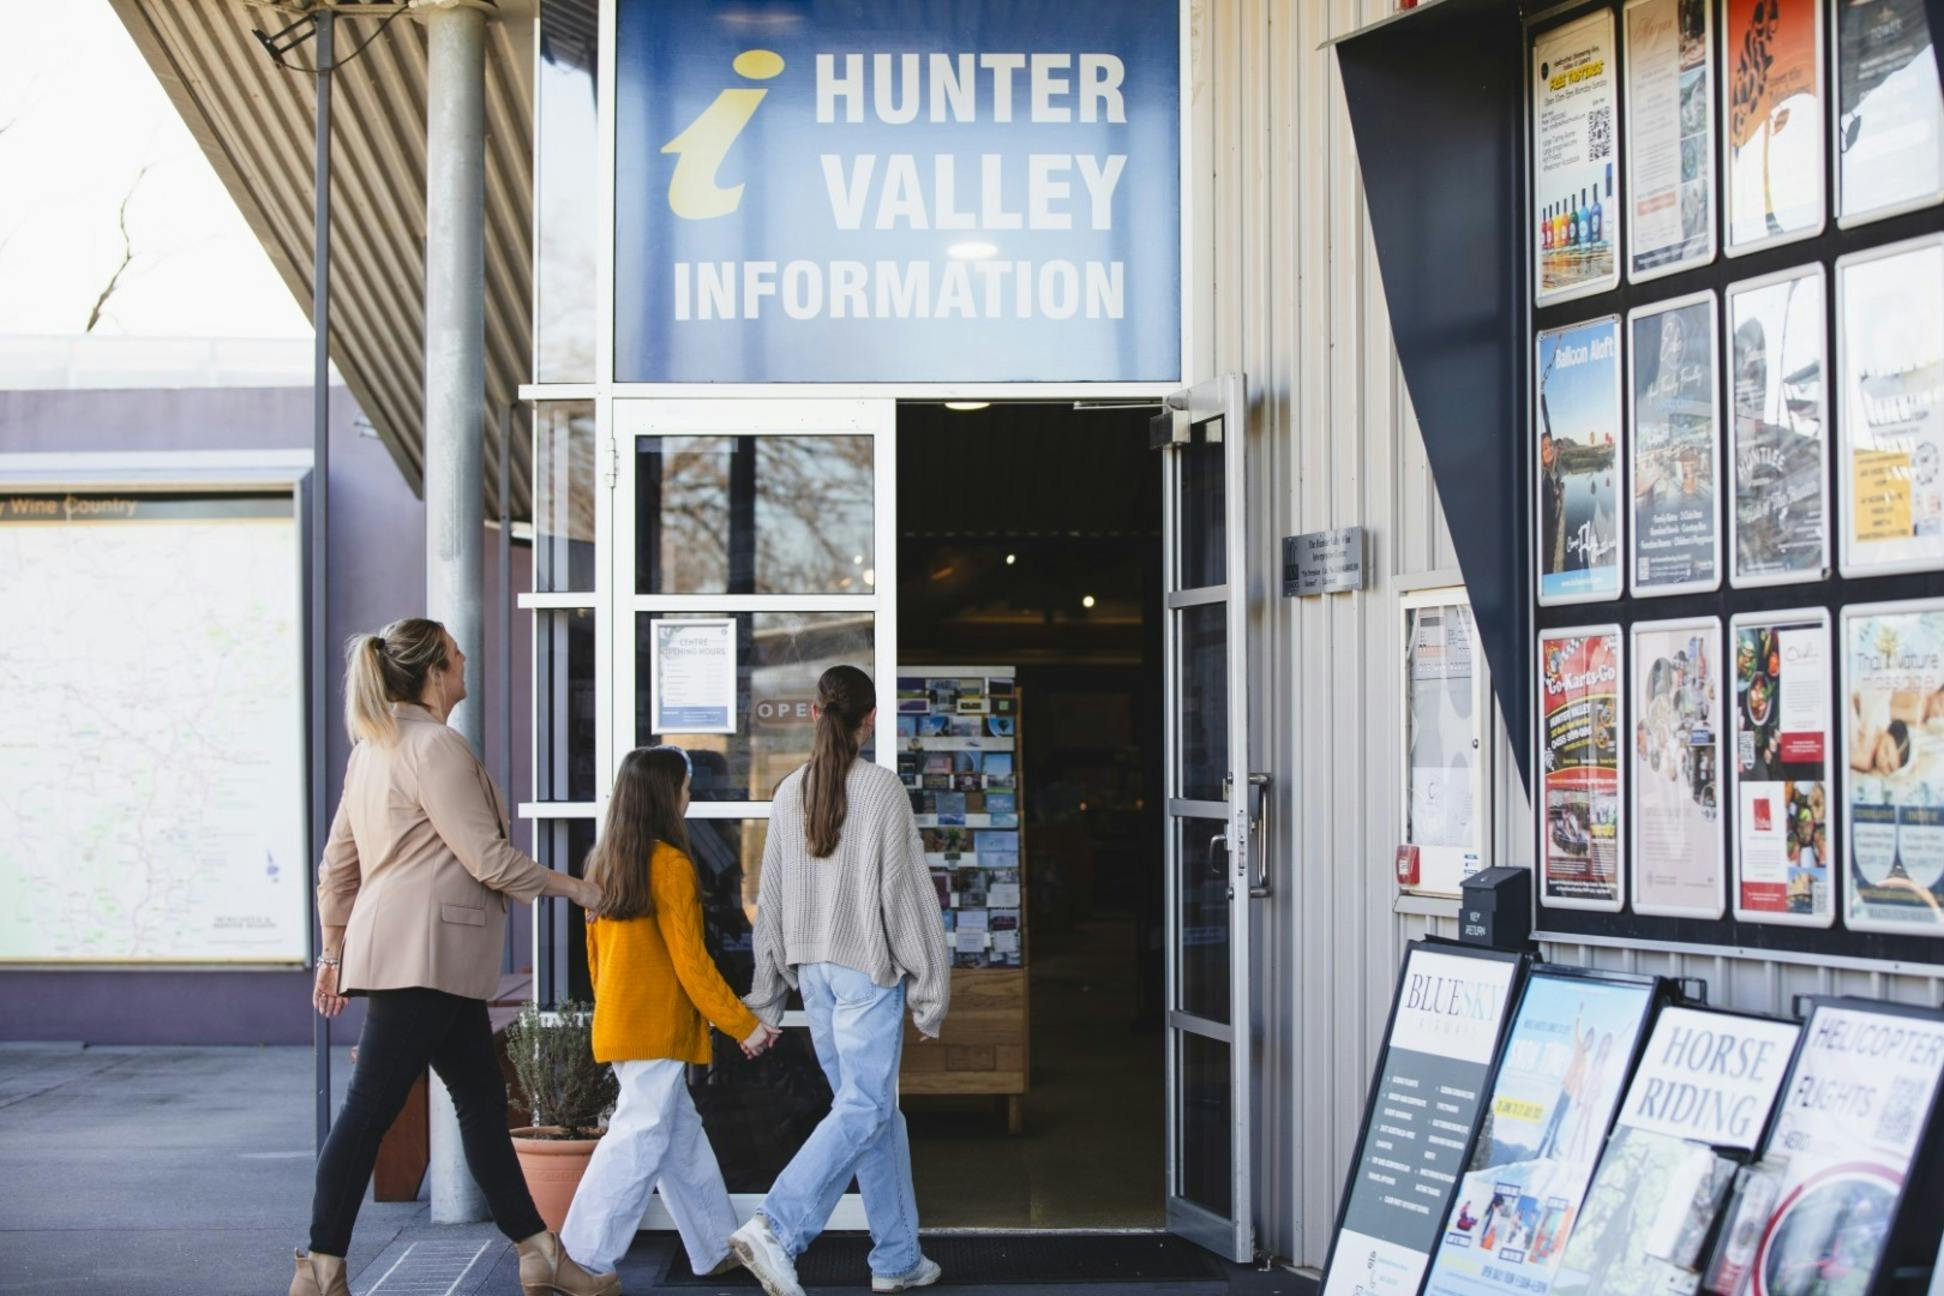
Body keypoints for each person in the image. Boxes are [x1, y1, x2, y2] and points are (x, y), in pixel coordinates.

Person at [295, 618, 611, 1296]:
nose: (467, 660)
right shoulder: (435, 747)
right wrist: (577, 887)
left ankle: (538, 1253)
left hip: (422, 958)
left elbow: (336, 869)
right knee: (371, 1110)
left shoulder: (373, 749)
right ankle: (321, 1267)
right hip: (424, 959)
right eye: (458, 654)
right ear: (437, 671)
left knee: (480, 1103)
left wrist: (331, 953)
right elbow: (488, 859)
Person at [729, 665, 952, 1296]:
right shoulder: (881, 790)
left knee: (875, 1112)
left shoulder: (787, 791)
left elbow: (767, 903)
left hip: (813, 975)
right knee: (865, 1106)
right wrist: (931, 995)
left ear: (813, 714)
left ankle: (897, 1257)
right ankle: (777, 1226)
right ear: (870, 720)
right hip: (863, 974)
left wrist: (767, 997)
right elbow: (909, 899)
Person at [558, 745, 783, 1283]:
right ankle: (579, 1257)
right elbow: (692, 963)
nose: (689, 795)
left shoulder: (607, 862)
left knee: (680, 1137)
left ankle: (713, 1247)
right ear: (665, 794)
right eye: (684, 786)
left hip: (624, 1023)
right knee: (637, 1139)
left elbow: (597, 962)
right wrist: (743, 1024)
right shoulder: (671, 865)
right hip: (655, 1029)